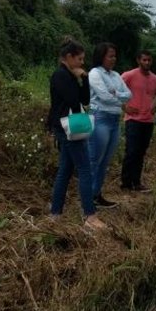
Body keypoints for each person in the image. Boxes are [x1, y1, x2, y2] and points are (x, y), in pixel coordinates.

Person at [45, 38, 107, 230]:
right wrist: (80, 78)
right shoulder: (61, 75)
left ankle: (55, 213)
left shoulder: (69, 75)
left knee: (65, 170)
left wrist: (85, 78)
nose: (82, 63)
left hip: (68, 126)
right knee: (85, 169)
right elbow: (73, 100)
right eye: (79, 59)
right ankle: (90, 215)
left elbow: (85, 99)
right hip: (67, 127)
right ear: (69, 57)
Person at [88, 42, 132, 208]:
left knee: (105, 161)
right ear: (101, 56)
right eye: (110, 56)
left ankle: (96, 194)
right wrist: (119, 98)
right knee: (94, 159)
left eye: (114, 56)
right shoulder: (95, 73)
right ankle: (88, 198)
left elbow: (129, 95)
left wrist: (117, 94)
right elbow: (104, 96)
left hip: (114, 120)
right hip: (100, 118)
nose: (114, 59)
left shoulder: (115, 75)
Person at [120, 50, 156, 192]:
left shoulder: (155, 79)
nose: (147, 63)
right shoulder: (129, 75)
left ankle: (137, 182)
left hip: (148, 121)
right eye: (144, 60)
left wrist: (155, 107)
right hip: (133, 119)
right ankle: (126, 183)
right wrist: (125, 107)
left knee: (141, 152)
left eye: (149, 60)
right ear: (138, 60)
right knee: (131, 151)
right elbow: (116, 90)